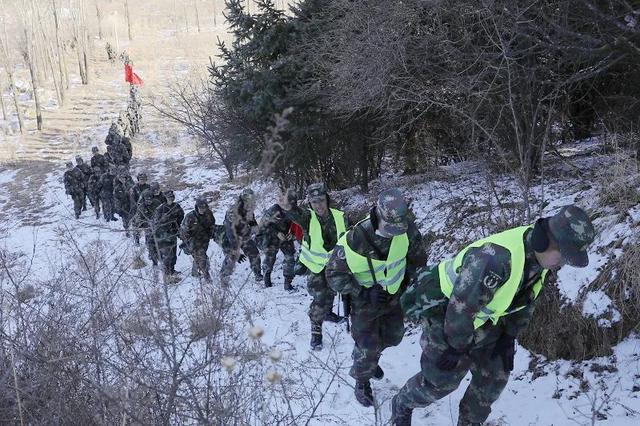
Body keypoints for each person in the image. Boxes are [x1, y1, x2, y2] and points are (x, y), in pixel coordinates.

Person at [390, 205, 596, 426]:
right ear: (545, 241)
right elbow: (460, 309)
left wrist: (509, 337)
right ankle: (403, 402)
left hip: (482, 318)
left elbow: (524, 303)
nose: (562, 263)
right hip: (446, 313)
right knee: (441, 381)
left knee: (494, 377)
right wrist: (457, 347)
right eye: (563, 257)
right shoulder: (494, 259)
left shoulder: (539, 261)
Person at [326, 188, 427, 407]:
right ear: (377, 215)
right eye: (390, 229)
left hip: (394, 296)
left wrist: (412, 287)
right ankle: (362, 380)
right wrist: (362, 291)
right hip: (364, 302)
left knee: (394, 337)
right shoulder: (355, 240)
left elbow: (417, 261)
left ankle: (371, 360)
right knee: (367, 346)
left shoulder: (406, 230)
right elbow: (333, 275)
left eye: (398, 229)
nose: (394, 234)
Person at [280, 182, 348, 351]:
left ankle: (329, 314)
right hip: (316, 268)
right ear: (309, 203)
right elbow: (294, 213)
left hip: (335, 267)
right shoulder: (307, 218)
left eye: (321, 200)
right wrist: (288, 206)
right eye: (314, 201)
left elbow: (351, 240)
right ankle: (316, 333)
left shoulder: (341, 217)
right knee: (319, 301)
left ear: (327, 199)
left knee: (332, 292)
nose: (318, 205)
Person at [256, 188, 298, 291]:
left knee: (290, 257)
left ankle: (288, 283)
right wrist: (276, 233)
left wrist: (293, 234)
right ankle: (267, 279)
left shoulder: (295, 210)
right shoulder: (273, 211)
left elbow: (297, 225)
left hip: (285, 236)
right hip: (270, 237)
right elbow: (262, 227)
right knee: (270, 258)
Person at [220, 188, 263, 283]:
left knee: (254, 253)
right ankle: (224, 276)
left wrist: (258, 233)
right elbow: (231, 231)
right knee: (232, 256)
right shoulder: (233, 211)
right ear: (244, 199)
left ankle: (258, 274)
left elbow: (252, 221)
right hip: (231, 237)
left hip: (244, 235)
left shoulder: (249, 209)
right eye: (249, 200)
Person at [180, 197, 216, 282]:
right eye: (201, 207)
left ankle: (195, 272)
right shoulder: (190, 217)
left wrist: (212, 234)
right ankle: (207, 276)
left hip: (205, 240)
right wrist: (187, 241)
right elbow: (183, 231)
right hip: (194, 241)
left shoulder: (209, 214)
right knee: (202, 257)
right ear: (197, 207)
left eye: (204, 207)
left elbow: (212, 225)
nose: (203, 209)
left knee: (200, 256)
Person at [153, 190, 185, 282]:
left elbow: (181, 216)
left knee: (173, 255)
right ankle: (167, 275)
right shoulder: (160, 209)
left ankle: (171, 270)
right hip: (163, 236)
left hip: (173, 234)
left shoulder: (176, 206)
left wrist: (177, 226)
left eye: (172, 197)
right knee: (167, 256)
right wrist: (163, 220)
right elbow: (156, 223)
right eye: (169, 197)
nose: (170, 199)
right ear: (165, 198)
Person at [135, 182, 166, 266]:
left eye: (157, 189)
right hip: (147, 226)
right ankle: (153, 258)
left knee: (159, 241)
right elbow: (138, 217)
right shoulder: (142, 204)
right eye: (147, 199)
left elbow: (163, 211)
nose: (149, 201)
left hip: (157, 225)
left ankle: (159, 255)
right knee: (150, 242)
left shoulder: (157, 202)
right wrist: (141, 224)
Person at [129, 173, 150, 245]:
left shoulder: (148, 187)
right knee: (136, 227)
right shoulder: (134, 188)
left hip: (147, 211)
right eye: (141, 179)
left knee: (148, 227)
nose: (142, 180)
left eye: (144, 179)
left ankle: (148, 242)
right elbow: (132, 201)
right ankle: (137, 242)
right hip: (137, 211)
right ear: (138, 179)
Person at [113, 168, 135, 235]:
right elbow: (116, 199)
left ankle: (135, 232)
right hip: (123, 206)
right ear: (119, 179)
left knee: (133, 219)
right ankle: (127, 231)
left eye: (124, 178)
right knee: (125, 221)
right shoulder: (117, 188)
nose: (122, 179)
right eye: (121, 178)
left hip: (131, 205)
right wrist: (118, 208)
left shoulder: (131, 186)